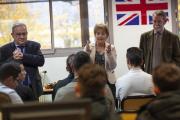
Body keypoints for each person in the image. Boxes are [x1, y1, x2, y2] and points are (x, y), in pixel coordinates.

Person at [0, 22, 45, 99]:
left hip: (33, 87)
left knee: (35, 110)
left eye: (24, 34)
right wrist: (12, 59)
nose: (22, 37)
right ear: (12, 35)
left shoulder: (34, 46)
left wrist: (24, 56)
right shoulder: (4, 49)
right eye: (18, 34)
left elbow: (41, 61)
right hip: (13, 88)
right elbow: (1, 67)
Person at [84, 23, 117, 99]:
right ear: (95, 35)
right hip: (92, 81)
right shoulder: (89, 47)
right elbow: (84, 66)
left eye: (103, 33)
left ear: (107, 35)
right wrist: (87, 53)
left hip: (109, 81)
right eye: (98, 33)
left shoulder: (111, 48)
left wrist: (109, 54)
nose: (100, 36)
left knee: (111, 103)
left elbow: (113, 66)